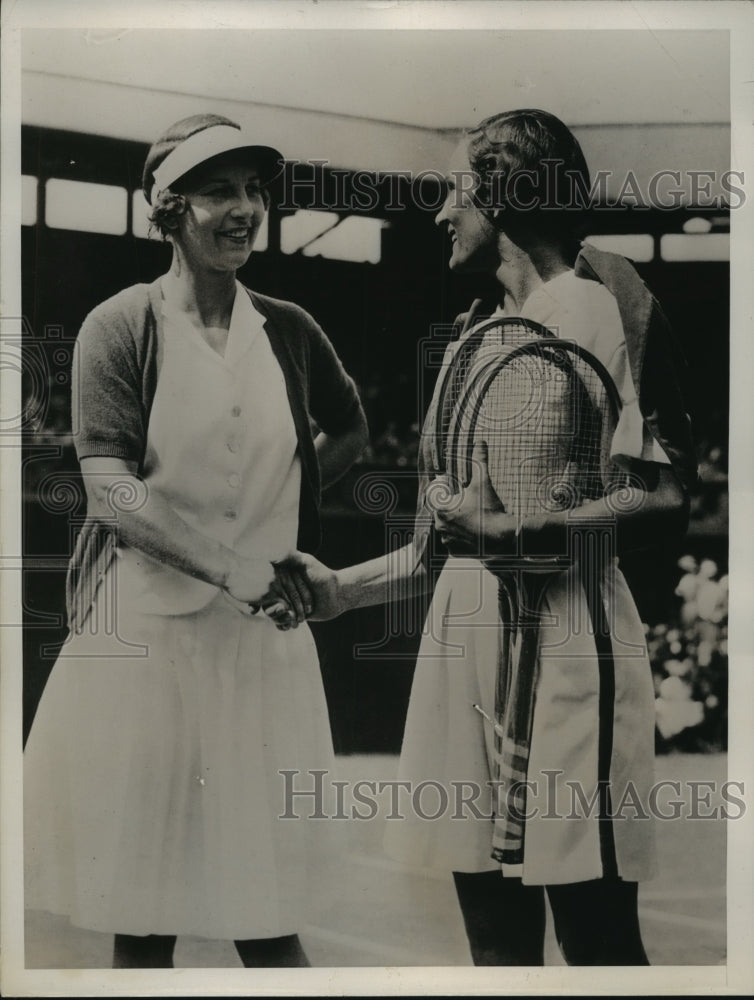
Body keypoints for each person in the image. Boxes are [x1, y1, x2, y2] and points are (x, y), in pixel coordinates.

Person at [273, 109, 697, 965]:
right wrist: (340, 590)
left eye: (456, 193)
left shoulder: (601, 302)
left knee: (599, 945)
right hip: (465, 644)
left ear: (504, 196)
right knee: (497, 952)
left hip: (571, 637)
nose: (440, 215)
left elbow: (657, 495)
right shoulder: (473, 332)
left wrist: (516, 524)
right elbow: (445, 544)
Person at [24, 113, 368, 969]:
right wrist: (228, 564)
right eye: (219, 190)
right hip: (148, 643)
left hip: (261, 650)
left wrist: (276, 516)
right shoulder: (120, 325)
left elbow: (349, 428)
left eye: (255, 190)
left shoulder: (287, 325)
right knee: (142, 917)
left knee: (268, 914)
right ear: (168, 208)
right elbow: (110, 486)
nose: (244, 208)